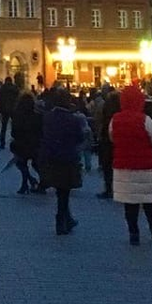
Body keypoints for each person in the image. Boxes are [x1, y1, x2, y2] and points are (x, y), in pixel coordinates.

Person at [109, 85, 152, 245]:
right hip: (144, 165)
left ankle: (134, 233)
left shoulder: (116, 119)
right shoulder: (144, 119)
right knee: (148, 200)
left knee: (130, 203)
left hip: (123, 165)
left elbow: (112, 138)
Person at [39, 87, 85, 234]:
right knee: (64, 191)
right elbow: (80, 138)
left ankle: (66, 219)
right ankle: (61, 221)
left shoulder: (48, 117)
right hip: (68, 159)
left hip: (52, 158)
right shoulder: (73, 120)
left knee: (60, 191)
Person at [9, 90, 43, 195]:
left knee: (21, 164)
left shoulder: (17, 116)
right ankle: (42, 183)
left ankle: (25, 183)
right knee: (36, 164)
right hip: (35, 145)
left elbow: (14, 132)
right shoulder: (37, 116)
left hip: (21, 145)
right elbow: (41, 131)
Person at [0, 76, 18, 148]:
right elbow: (18, 99)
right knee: (15, 125)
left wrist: (0, 109)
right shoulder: (15, 88)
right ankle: (16, 140)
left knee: (3, 127)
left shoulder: (2, 89)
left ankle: (2, 143)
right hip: (13, 110)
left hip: (4, 110)